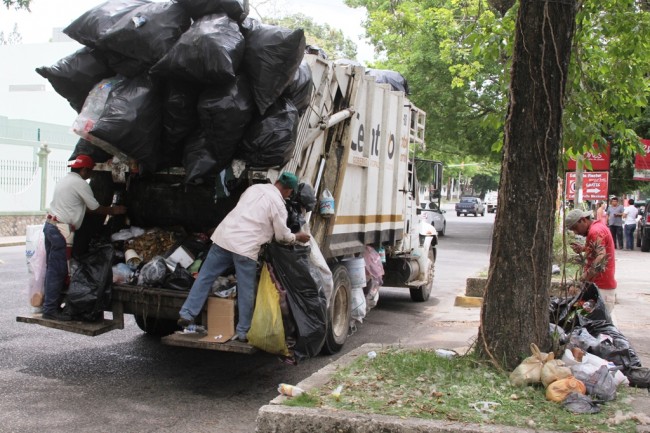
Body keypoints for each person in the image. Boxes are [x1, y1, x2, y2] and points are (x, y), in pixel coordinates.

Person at [178, 172, 311, 342]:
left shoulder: (254, 188)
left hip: (223, 238)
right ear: (288, 191)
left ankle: (187, 313)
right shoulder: (278, 204)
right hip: (245, 247)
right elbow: (282, 237)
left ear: (277, 181)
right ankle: (243, 331)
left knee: (205, 276)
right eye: (290, 192)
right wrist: (298, 236)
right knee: (246, 289)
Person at [43, 155, 127, 321]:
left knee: (53, 269)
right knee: (58, 271)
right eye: (89, 172)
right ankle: (50, 309)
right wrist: (115, 211)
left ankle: (50, 304)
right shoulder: (81, 184)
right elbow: (95, 208)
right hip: (61, 230)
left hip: (50, 226)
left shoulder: (65, 180)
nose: (90, 175)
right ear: (84, 170)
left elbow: (81, 207)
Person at [566, 208, 617, 314]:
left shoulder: (595, 231)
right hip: (598, 285)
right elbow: (600, 248)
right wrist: (583, 249)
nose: (576, 232)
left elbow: (601, 256)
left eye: (575, 228)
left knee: (599, 323)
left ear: (583, 220)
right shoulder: (597, 227)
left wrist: (582, 279)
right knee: (589, 320)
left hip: (601, 286)